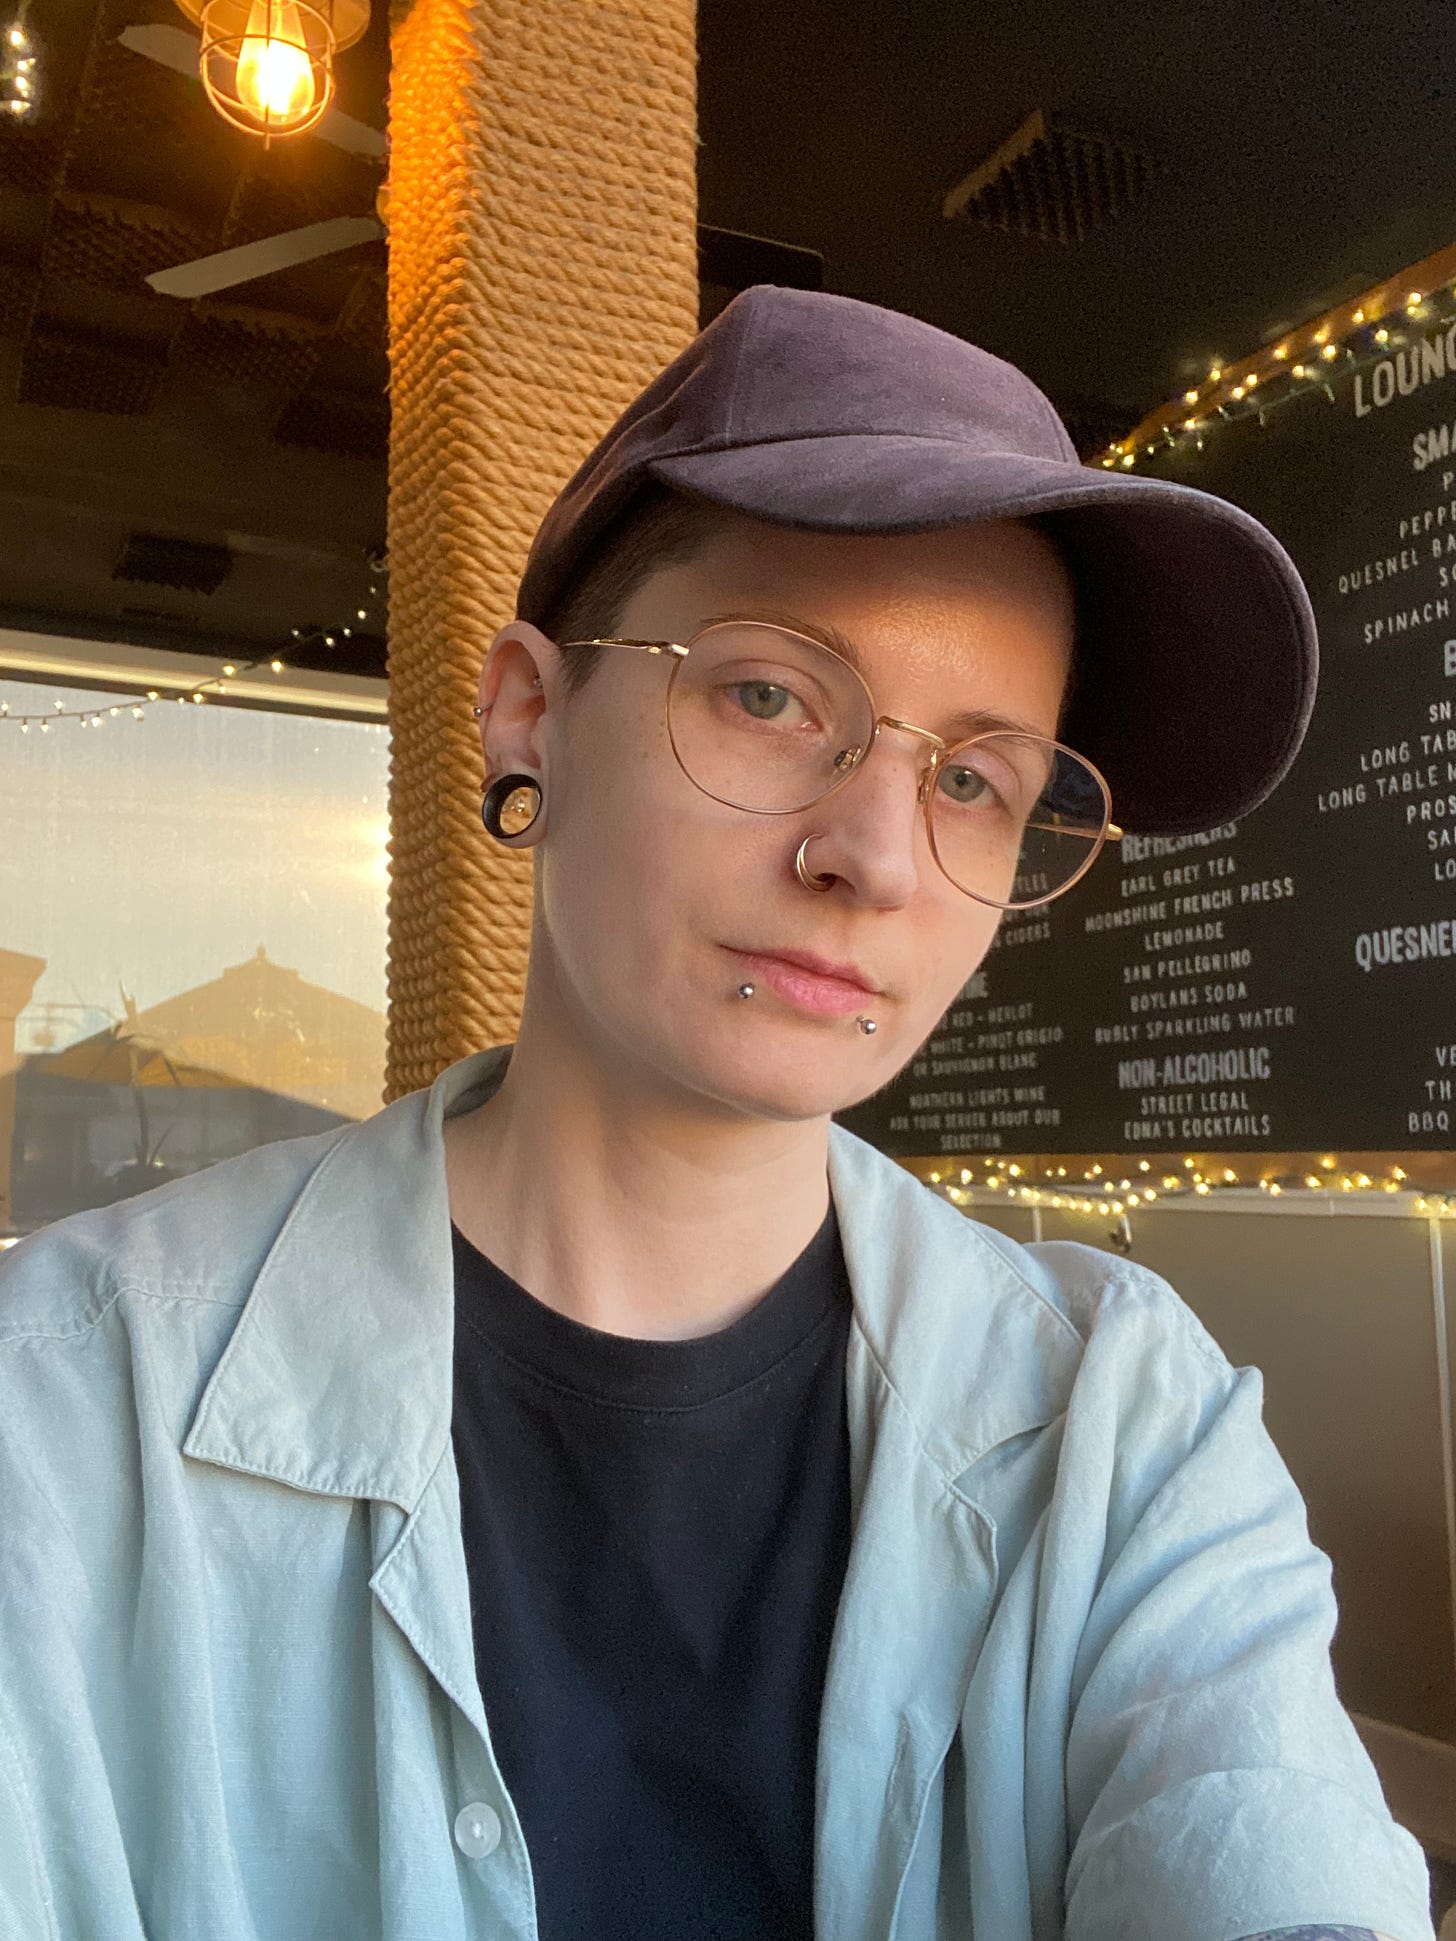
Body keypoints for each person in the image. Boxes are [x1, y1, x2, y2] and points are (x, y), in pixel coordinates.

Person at [0, 285, 1436, 1941]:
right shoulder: (67, 1404)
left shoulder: (1126, 1429)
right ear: (530, 710)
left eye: (976, 778)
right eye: (770, 695)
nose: (875, 860)